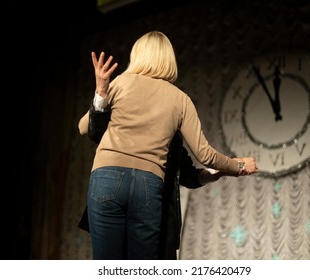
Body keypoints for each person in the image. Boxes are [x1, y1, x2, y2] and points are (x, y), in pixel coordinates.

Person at [81, 30, 258, 260]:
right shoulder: (180, 98)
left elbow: (84, 127)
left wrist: (101, 94)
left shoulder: (120, 83)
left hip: (107, 178)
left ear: (138, 56)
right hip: (148, 185)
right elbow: (204, 154)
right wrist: (238, 165)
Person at [78, 105, 254, 259]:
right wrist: (101, 93)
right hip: (122, 215)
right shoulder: (125, 120)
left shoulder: (173, 138)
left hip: (162, 223)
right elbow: (90, 127)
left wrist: (223, 171)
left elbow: (190, 176)